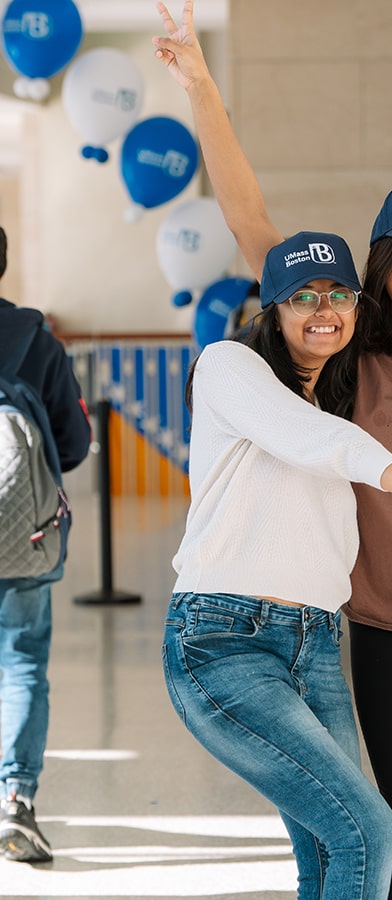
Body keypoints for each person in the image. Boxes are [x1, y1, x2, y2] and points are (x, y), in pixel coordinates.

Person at [154, 6, 392, 899]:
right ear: (378, 266)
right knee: (387, 834)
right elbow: (251, 220)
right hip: (369, 626)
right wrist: (202, 89)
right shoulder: (337, 352)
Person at [0, 225, 92, 862]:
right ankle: (15, 801)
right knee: (22, 661)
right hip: (22, 535)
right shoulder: (36, 339)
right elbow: (74, 445)